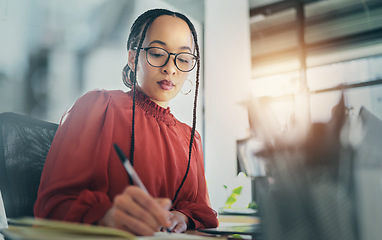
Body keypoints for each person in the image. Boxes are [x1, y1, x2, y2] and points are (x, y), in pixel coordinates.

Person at [34, 8, 218, 236]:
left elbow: (200, 209)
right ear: (132, 58)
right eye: (158, 53)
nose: (170, 68)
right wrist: (104, 218)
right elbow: (54, 204)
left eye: (182, 58)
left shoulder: (191, 139)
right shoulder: (99, 107)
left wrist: (182, 217)